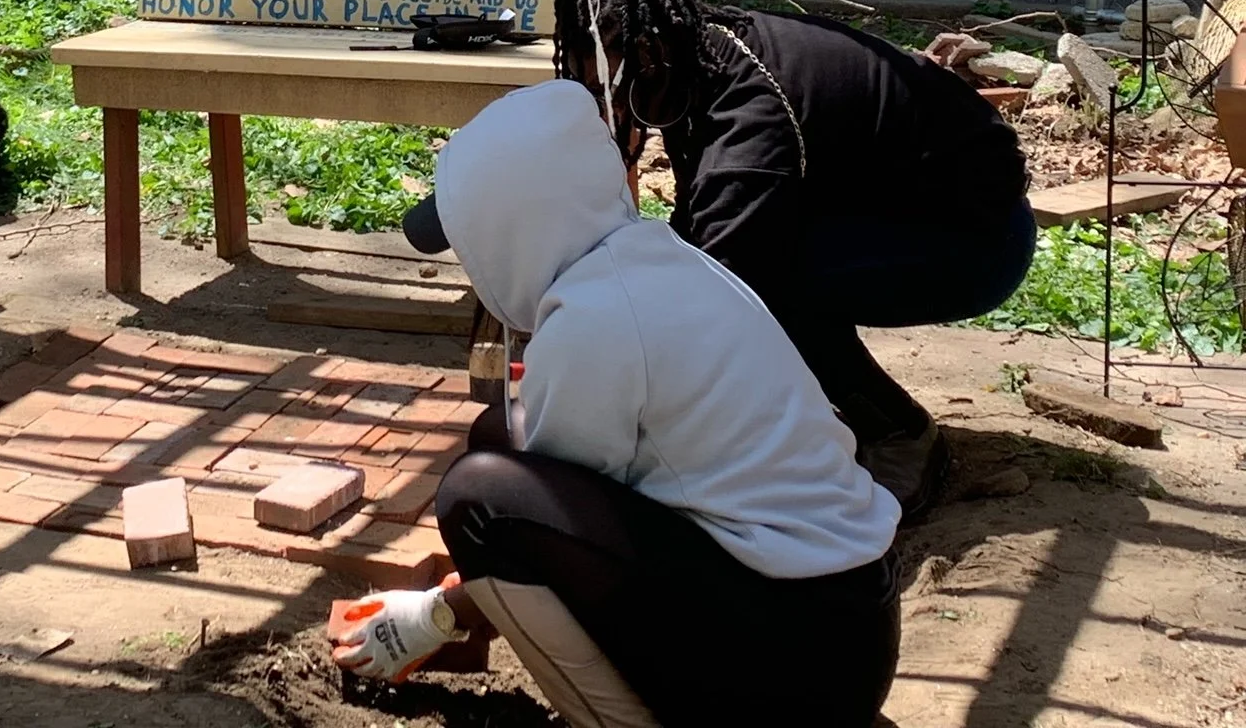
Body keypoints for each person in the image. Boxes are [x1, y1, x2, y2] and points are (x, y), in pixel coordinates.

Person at [331, 80, 902, 726]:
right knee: (503, 435)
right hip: (845, 616)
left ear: (510, 230)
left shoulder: (592, 321)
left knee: (479, 501)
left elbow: (538, 531)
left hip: (796, 659)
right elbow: (562, 492)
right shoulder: (656, 263)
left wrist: (435, 615)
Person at [540, 0, 1035, 518]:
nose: (597, 98)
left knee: (767, 284)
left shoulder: (747, 122)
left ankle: (901, 433)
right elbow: (696, 232)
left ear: (648, 53)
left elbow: (716, 299)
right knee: (738, 265)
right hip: (908, 203)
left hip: (977, 238)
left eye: (601, 81)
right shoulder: (700, 50)